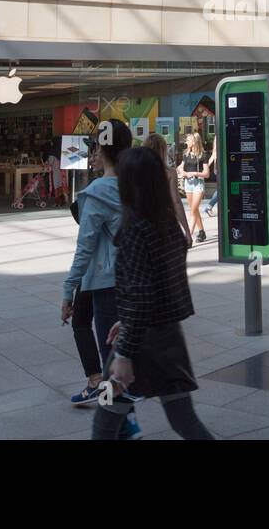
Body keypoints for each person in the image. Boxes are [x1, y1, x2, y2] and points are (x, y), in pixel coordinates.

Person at [93, 147, 214, 440]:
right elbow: (157, 288)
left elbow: (142, 296)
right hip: (168, 339)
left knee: (105, 424)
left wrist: (123, 353)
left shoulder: (136, 230)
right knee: (184, 420)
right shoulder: (167, 225)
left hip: (139, 343)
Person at [62, 120, 139, 438]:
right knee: (120, 356)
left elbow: (85, 248)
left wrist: (68, 289)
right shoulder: (136, 186)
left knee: (111, 361)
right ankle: (123, 421)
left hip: (106, 284)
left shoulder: (94, 194)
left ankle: (119, 425)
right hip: (134, 280)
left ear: (101, 150)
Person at [145, 133, 191, 241]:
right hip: (165, 223)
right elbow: (176, 201)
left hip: (144, 222)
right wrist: (187, 232)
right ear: (163, 150)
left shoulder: (138, 170)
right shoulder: (170, 172)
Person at [180, 132, 208, 245]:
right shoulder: (185, 153)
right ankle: (201, 232)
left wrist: (195, 173)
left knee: (192, 210)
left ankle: (188, 237)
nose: (186, 142)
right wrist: (183, 172)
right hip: (188, 184)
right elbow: (181, 167)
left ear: (194, 142)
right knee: (194, 210)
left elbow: (206, 173)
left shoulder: (203, 155)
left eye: (188, 140)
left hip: (198, 184)